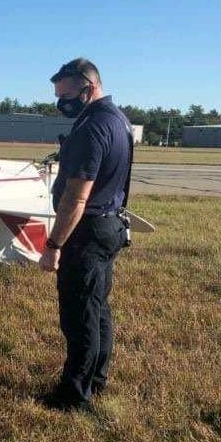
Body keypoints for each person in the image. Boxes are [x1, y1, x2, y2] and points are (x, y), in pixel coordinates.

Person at [39, 58, 133, 411]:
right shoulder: (118, 120)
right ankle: (97, 378)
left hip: (87, 232)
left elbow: (76, 197)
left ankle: (73, 395)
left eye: (66, 96)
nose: (62, 104)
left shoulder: (93, 127)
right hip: (109, 225)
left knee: (79, 316)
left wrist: (53, 245)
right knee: (97, 308)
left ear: (88, 87)